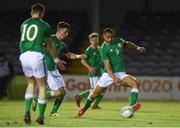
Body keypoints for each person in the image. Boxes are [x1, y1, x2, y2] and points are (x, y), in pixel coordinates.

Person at [77, 28, 146, 117]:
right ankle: (84, 108)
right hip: (108, 75)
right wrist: (114, 79)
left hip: (121, 73)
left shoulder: (119, 41)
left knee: (136, 84)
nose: (110, 39)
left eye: (111, 37)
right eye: (108, 37)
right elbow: (107, 66)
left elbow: (127, 43)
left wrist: (137, 47)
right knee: (94, 94)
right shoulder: (103, 48)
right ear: (104, 36)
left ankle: (131, 107)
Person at [19, 3, 65, 125]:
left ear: (31, 12)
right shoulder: (44, 26)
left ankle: (26, 112)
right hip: (37, 55)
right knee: (42, 86)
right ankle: (40, 117)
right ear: (42, 13)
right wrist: (57, 61)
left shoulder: (24, 24)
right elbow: (49, 46)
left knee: (30, 83)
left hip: (23, 55)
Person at [32, 21, 87, 117]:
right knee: (58, 92)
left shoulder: (62, 44)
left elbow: (69, 55)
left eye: (68, 33)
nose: (67, 34)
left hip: (54, 70)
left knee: (63, 92)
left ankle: (53, 112)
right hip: (47, 69)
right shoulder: (49, 39)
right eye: (65, 32)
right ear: (59, 30)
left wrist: (79, 56)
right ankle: (37, 98)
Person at [74, 33, 104, 109]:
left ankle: (95, 105)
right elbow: (83, 61)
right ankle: (80, 97)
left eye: (96, 39)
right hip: (93, 73)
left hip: (100, 72)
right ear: (90, 41)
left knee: (102, 89)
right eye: (93, 40)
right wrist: (90, 68)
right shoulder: (89, 50)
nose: (95, 41)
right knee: (96, 91)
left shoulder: (100, 48)